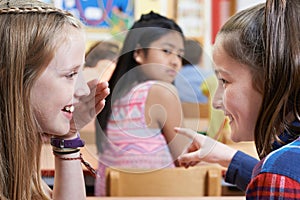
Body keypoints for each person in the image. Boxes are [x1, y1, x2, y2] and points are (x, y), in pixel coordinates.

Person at [175, 1, 300, 198]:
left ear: (271, 81)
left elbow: (277, 177)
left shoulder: (277, 175)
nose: (216, 102)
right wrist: (231, 158)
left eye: (225, 81)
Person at [0, 0, 109, 199]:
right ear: (11, 79)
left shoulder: (19, 164)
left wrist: (68, 137)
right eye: (70, 75)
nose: (84, 90)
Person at [94, 11, 186, 196]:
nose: (175, 61)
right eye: (166, 51)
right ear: (138, 53)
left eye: (180, 55)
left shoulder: (117, 93)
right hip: (153, 194)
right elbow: (186, 160)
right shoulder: (161, 92)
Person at [174, 39, 213, 103]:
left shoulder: (175, 77)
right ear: (201, 57)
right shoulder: (211, 77)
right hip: (206, 112)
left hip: (182, 112)